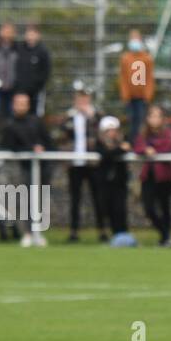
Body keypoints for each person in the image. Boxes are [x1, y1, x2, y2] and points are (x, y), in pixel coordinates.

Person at [0, 91, 53, 244]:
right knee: (25, 199)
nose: (21, 107)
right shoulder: (9, 125)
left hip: (41, 167)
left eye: (24, 104)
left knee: (40, 199)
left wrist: (42, 149)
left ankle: (38, 232)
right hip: (22, 168)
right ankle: (27, 233)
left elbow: (49, 143)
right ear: (13, 105)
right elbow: (6, 146)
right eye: (18, 103)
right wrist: (30, 149)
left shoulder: (36, 122)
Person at [60, 86, 105, 242]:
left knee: (98, 197)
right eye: (79, 99)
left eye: (85, 99)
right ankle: (74, 231)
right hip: (75, 163)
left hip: (93, 163)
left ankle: (102, 230)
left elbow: (103, 135)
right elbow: (62, 136)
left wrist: (90, 117)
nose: (82, 102)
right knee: (75, 199)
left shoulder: (97, 116)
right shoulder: (69, 117)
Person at [133, 104, 171, 246]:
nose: (155, 119)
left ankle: (166, 239)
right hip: (149, 177)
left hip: (164, 177)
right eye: (152, 116)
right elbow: (137, 147)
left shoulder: (168, 133)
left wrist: (153, 149)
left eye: (158, 116)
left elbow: (167, 147)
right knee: (149, 208)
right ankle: (165, 235)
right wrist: (146, 149)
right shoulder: (143, 134)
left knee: (165, 207)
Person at [95, 115, 131, 240]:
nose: (112, 133)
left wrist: (119, 149)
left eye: (114, 130)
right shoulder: (99, 142)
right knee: (105, 208)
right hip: (104, 182)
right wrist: (120, 150)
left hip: (119, 182)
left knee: (120, 209)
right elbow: (106, 154)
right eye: (109, 130)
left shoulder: (124, 140)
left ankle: (122, 235)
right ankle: (109, 234)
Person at [119, 28, 155, 140]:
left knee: (141, 121)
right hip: (130, 98)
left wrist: (148, 96)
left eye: (136, 38)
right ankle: (131, 142)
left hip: (142, 98)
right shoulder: (125, 58)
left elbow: (149, 78)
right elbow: (123, 78)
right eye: (132, 38)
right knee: (131, 121)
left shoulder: (146, 58)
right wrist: (125, 95)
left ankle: (140, 143)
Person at [16, 24, 52, 115]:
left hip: (37, 91)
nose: (30, 36)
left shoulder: (43, 51)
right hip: (21, 91)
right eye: (28, 33)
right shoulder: (19, 49)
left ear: (38, 35)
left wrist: (37, 85)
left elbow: (46, 71)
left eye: (33, 33)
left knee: (36, 114)